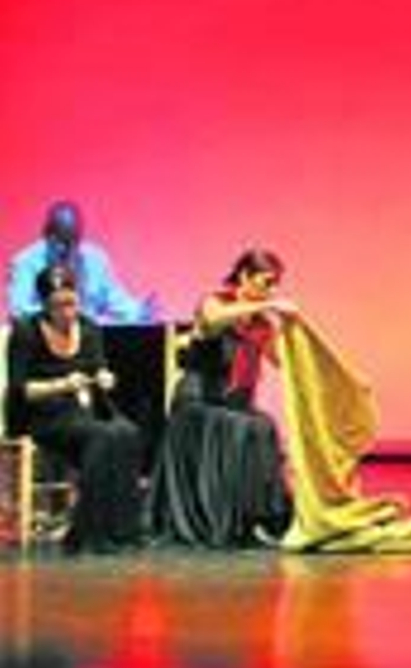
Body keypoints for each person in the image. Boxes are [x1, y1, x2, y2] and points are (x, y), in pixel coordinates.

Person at [149, 249, 293, 547]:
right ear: (244, 276)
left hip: (233, 405)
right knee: (250, 428)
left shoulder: (261, 324)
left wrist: (292, 333)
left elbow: (282, 361)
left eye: (275, 284)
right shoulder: (215, 302)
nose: (272, 290)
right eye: (267, 282)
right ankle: (228, 521)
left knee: (265, 425)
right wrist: (268, 304)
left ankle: (260, 519)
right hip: (198, 404)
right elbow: (214, 321)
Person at [4, 266, 145, 552]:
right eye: (59, 306)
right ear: (45, 305)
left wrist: (106, 377)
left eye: (72, 303)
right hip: (39, 414)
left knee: (127, 432)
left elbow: (98, 369)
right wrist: (62, 384)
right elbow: (21, 390)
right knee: (101, 437)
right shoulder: (26, 331)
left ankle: (121, 529)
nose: (68, 312)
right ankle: (87, 532)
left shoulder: (90, 328)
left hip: (81, 409)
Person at [7, 201, 156, 322]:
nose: (68, 250)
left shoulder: (96, 260)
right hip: (43, 346)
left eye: (73, 242)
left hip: (89, 345)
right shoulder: (25, 263)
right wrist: (59, 312)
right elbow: (18, 311)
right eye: (61, 242)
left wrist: (140, 311)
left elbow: (116, 300)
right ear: (47, 235)